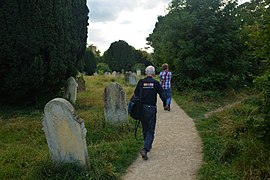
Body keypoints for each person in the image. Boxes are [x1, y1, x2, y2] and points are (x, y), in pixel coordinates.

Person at [133, 65, 166, 160]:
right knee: (150, 130)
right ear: (153, 73)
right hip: (151, 108)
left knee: (145, 127)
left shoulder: (141, 82)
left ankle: (147, 145)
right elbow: (162, 95)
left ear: (146, 73)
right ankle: (145, 148)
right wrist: (165, 104)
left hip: (141, 108)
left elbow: (135, 94)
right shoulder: (155, 83)